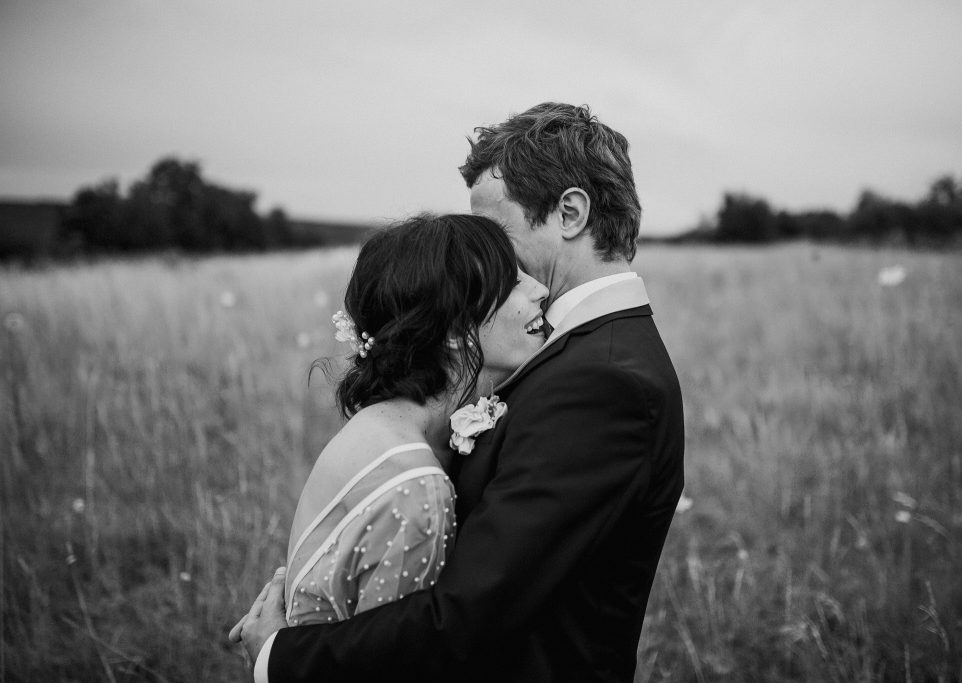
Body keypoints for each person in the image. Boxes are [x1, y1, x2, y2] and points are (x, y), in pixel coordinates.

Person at [231, 102, 685, 682]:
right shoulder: (575, 352)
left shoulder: (605, 381)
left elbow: (471, 614)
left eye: (496, 232)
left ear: (570, 213)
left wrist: (280, 655)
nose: (485, 254)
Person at [239, 213, 548, 630]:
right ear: (455, 332)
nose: (540, 289)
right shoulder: (416, 487)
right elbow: (388, 656)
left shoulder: (377, 424)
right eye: (513, 283)